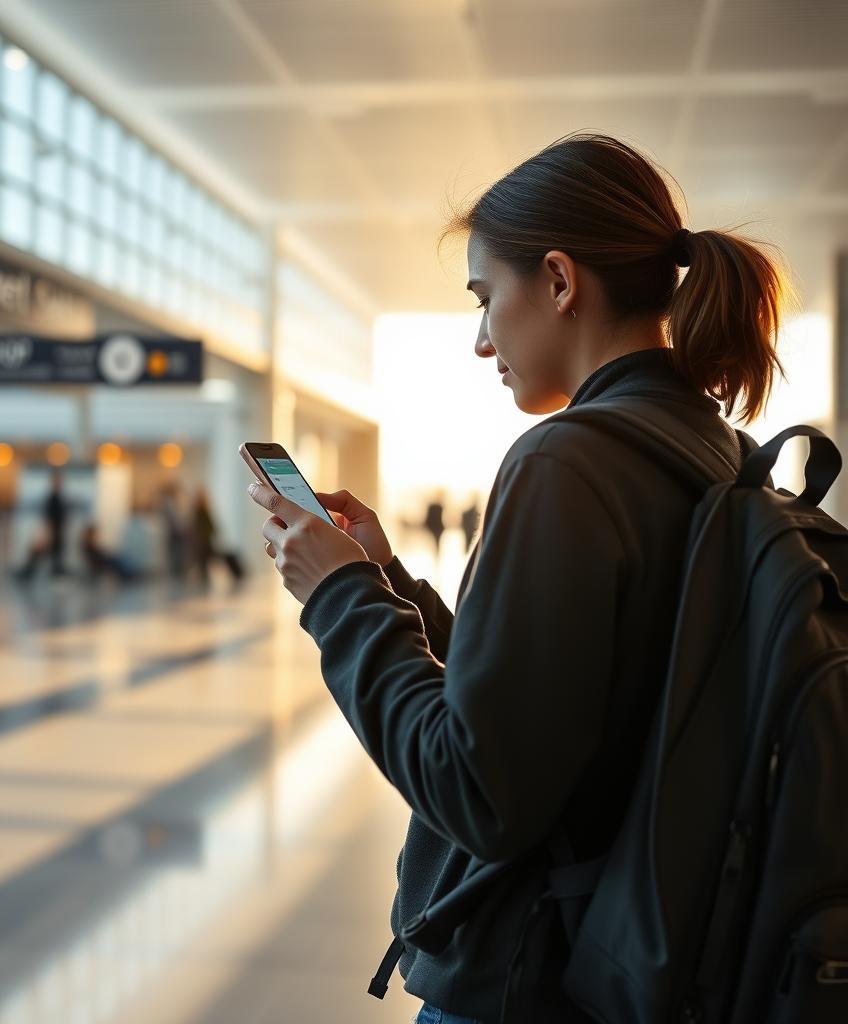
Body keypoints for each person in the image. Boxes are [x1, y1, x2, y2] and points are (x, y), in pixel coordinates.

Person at [247, 134, 788, 1023]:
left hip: (530, 980)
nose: (479, 340)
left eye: (485, 298)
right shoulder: (711, 448)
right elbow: (565, 705)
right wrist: (387, 579)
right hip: (632, 959)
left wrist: (339, 598)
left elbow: (477, 789)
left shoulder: (565, 462)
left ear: (561, 281)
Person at [16, 470, 69, 581]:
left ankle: (29, 573)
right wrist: (48, 534)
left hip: (57, 532)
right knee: (42, 555)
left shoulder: (58, 497)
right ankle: (27, 573)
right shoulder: (52, 498)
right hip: (53, 532)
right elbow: (49, 518)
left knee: (53, 557)